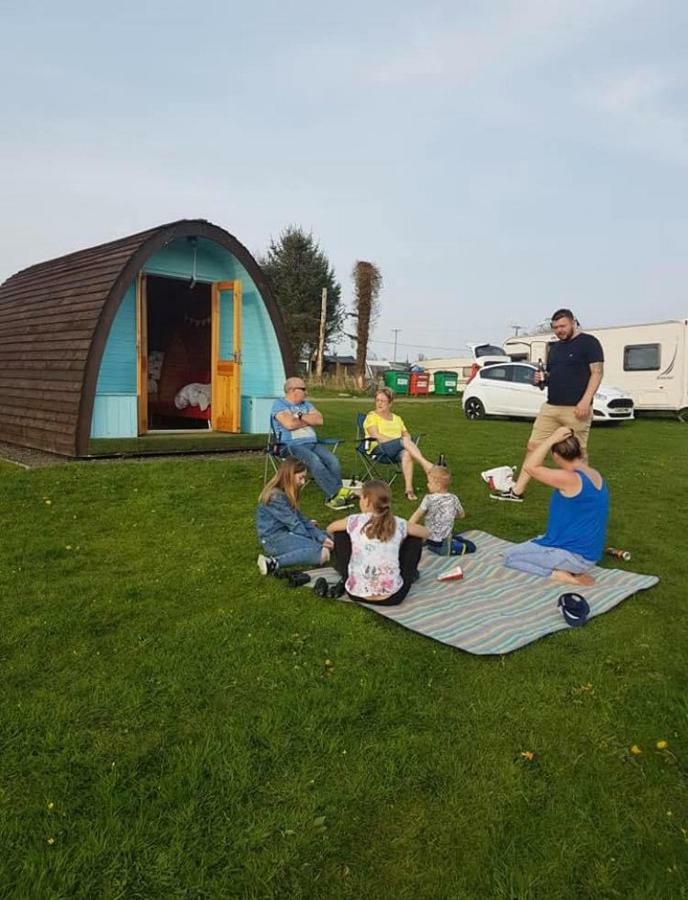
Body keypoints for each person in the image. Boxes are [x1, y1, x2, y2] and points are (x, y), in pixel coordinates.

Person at [493, 308, 604, 502]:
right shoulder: (555, 348)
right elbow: (553, 375)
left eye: (562, 326)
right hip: (551, 406)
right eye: (555, 328)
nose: (559, 330)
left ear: (573, 323)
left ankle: (584, 493)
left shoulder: (589, 343)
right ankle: (517, 491)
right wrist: (541, 379)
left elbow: (597, 372)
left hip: (576, 408)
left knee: (577, 452)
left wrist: (585, 401)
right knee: (533, 445)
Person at [503, 427, 609, 586]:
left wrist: (551, 439)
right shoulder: (593, 473)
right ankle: (562, 564)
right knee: (525, 548)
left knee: (510, 557)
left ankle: (559, 575)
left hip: (575, 557)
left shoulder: (568, 478)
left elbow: (530, 467)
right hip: (585, 553)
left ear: (556, 456)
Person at [326, 480, 428, 605]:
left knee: (340, 533)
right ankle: (410, 574)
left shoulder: (354, 520)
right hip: (392, 597)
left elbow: (330, 528)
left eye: (360, 498)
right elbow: (425, 534)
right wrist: (400, 543)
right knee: (415, 539)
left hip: (356, 593)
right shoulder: (398, 523)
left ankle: (346, 572)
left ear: (367, 500)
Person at [272, 377, 354, 510]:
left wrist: (298, 416)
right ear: (292, 390)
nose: (306, 392)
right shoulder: (280, 405)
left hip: (312, 443)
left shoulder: (306, 404)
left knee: (333, 461)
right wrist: (308, 419)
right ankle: (335, 495)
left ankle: (337, 495)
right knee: (315, 461)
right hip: (291, 445)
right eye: (303, 389)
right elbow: (289, 424)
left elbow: (320, 420)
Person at [256, 457, 334, 575]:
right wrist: (317, 540)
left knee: (329, 536)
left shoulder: (285, 492)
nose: (303, 482)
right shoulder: (275, 497)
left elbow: (301, 519)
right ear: (289, 475)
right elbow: (295, 524)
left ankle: (312, 548)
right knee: (321, 553)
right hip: (273, 540)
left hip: (287, 532)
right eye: (300, 478)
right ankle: (273, 563)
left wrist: (322, 538)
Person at [363, 387, 423, 500]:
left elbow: (407, 435)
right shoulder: (371, 416)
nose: (379, 404)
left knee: (407, 453)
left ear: (390, 403)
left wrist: (403, 442)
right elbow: (376, 435)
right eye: (377, 400)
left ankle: (409, 489)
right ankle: (426, 465)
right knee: (404, 442)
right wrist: (398, 441)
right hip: (379, 450)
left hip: (396, 451)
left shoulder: (397, 419)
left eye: (383, 401)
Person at [408, 463, 472, 556]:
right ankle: (450, 546)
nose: (427, 484)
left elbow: (417, 515)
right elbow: (462, 515)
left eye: (429, 482)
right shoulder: (454, 498)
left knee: (468, 545)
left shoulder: (428, 499)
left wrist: (406, 527)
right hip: (445, 538)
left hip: (429, 539)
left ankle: (447, 548)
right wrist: (449, 515)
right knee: (469, 545)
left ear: (438, 485)